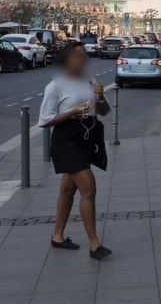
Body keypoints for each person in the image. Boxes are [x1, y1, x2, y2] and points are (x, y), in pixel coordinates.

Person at [38, 42, 112, 260]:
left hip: (86, 137)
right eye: (77, 55)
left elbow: (104, 112)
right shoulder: (55, 86)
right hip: (66, 140)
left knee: (68, 190)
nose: (82, 59)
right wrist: (72, 112)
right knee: (88, 189)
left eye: (84, 55)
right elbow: (45, 120)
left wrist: (100, 96)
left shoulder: (90, 81)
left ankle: (57, 236)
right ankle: (94, 245)